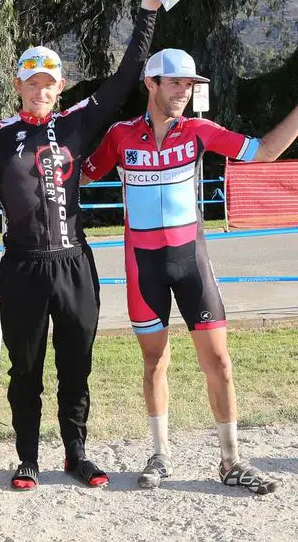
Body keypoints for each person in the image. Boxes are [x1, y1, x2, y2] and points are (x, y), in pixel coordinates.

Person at [83, 48, 295, 494]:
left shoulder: (199, 130)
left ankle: (232, 459)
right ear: (152, 84)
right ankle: (160, 453)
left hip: (191, 260)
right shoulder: (121, 136)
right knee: (153, 360)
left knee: (219, 361)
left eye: (190, 84)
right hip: (143, 265)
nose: (184, 91)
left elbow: (266, 152)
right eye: (176, 83)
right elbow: (80, 174)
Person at [0, 0, 161, 490]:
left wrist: (145, 10)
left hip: (74, 262)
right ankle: (28, 456)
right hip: (22, 266)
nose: (40, 90)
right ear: (18, 85)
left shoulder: (78, 123)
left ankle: (77, 452)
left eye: (49, 83)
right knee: (26, 367)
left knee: (77, 361)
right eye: (32, 82)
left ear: (61, 87)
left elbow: (127, 77)